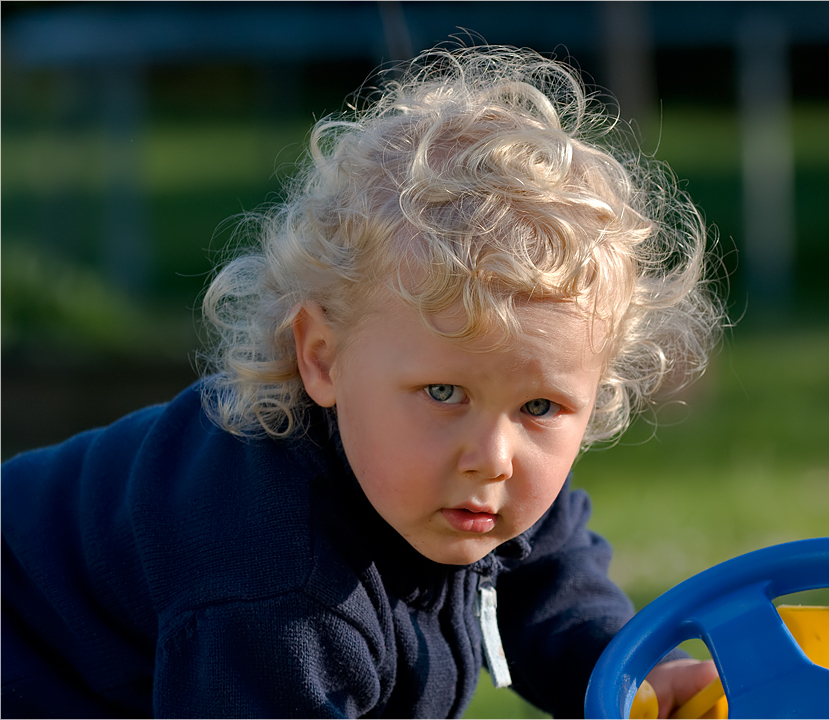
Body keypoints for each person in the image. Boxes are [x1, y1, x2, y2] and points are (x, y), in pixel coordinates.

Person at [2, 45, 724, 718]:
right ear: (322, 358)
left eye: (541, 406)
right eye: (445, 393)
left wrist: (630, 674)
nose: (494, 455)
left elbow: (549, 585)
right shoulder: (278, 586)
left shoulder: (467, 476)